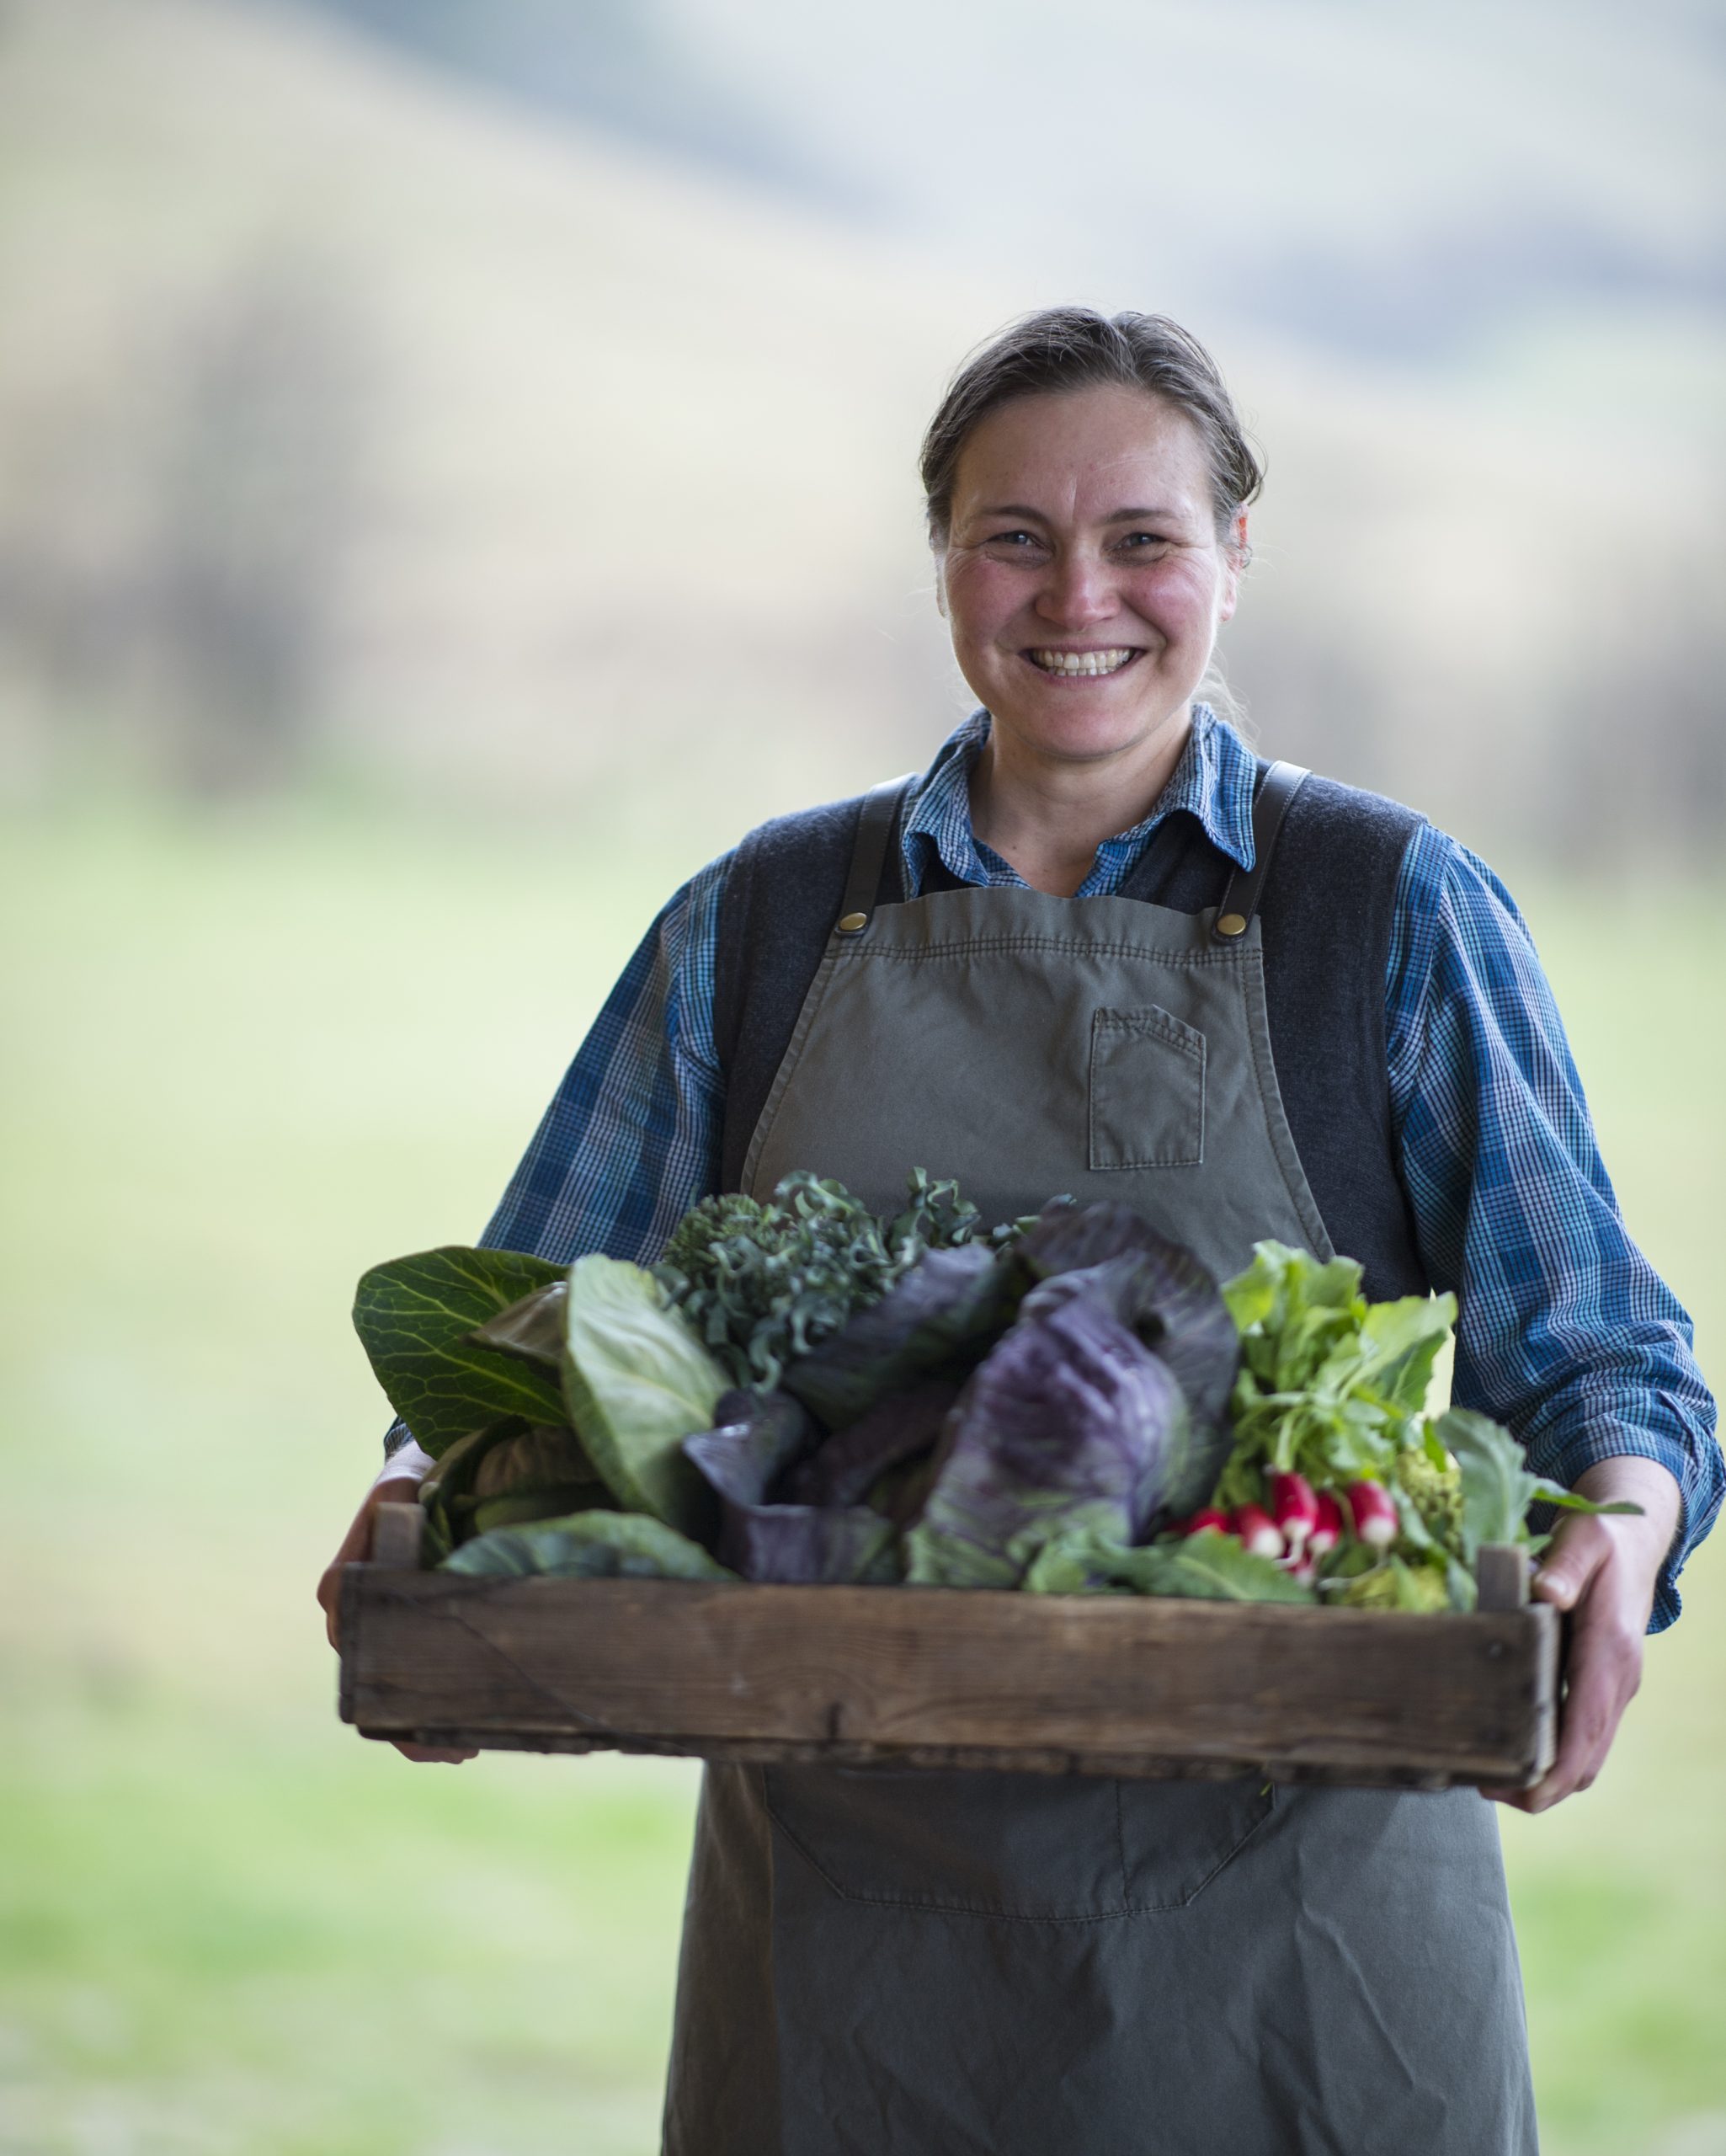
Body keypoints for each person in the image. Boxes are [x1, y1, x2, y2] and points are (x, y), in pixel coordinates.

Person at [319, 307, 1721, 2154]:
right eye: (1011, 535)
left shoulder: (1385, 908)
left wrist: (1616, 1536)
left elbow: (1600, 1357)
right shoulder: (752, 921)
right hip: (849, 1962)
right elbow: (531, 1328)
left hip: (1307, 1965)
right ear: (942, 568)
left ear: (1233, 554)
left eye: (1141, 535)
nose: (1080, 593)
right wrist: (433, 1493)